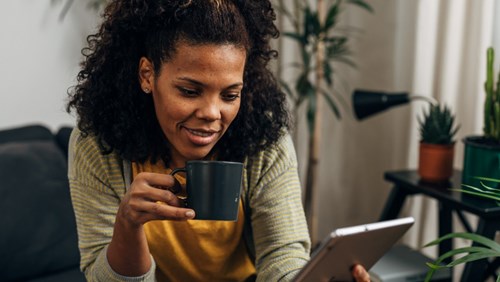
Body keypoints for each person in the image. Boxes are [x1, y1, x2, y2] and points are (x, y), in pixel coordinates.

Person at [66, 0, 371, 281]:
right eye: (189, 91)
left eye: (230, 95)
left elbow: (283, 254)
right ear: (147, 74)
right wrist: (128, 226)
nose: (212, 114)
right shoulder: (98, 143)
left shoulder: (263, 137)